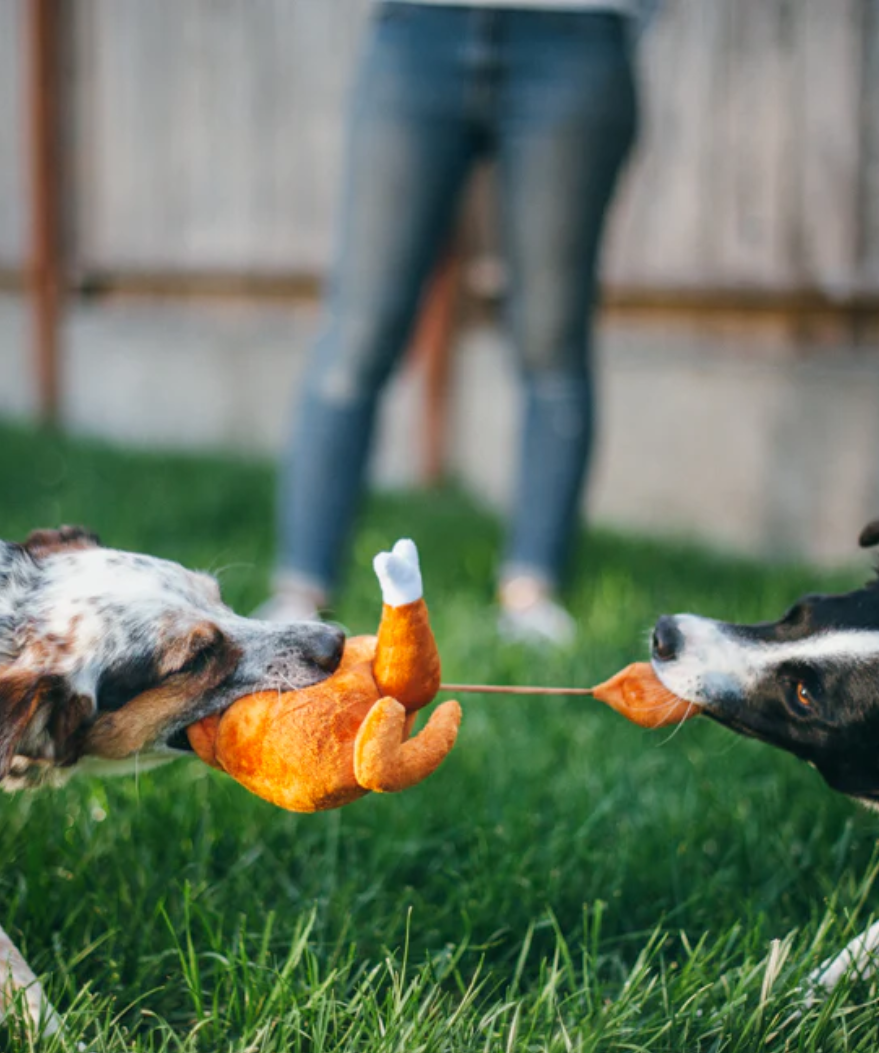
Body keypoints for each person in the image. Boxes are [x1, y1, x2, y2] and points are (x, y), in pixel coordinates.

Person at [259, 0, 643, 646]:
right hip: (419, 30)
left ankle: (532, 593)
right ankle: (299, 588)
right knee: (359, 333)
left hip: (582, 32)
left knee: (552, 337)